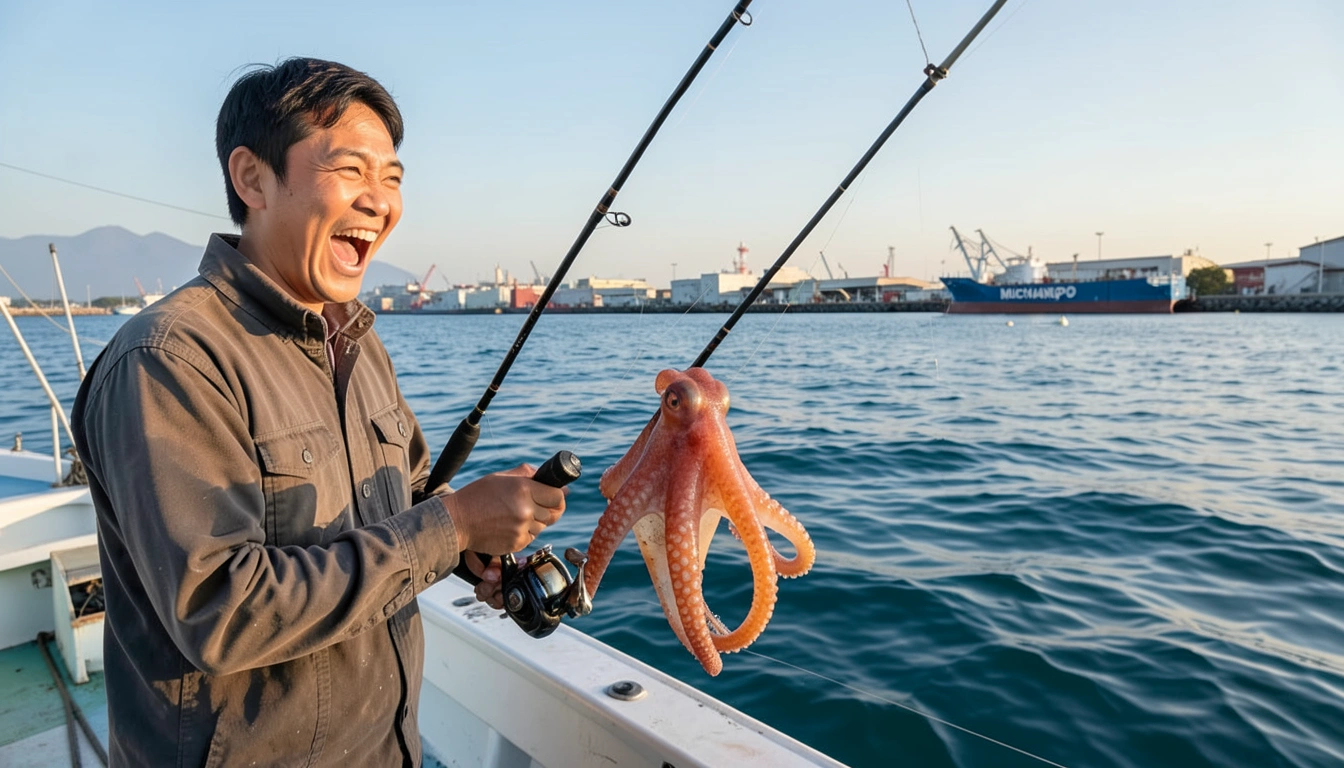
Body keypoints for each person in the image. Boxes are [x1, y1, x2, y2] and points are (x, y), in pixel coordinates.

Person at [71, 58, 565, 767]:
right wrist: (449, 528)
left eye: (392, 179)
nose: (379, 200)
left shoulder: (357, 339)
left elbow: (411, 496)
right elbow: (221, 611)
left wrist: (470, 542)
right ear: (252, 179)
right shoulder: (168, 360)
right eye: (351, 171)